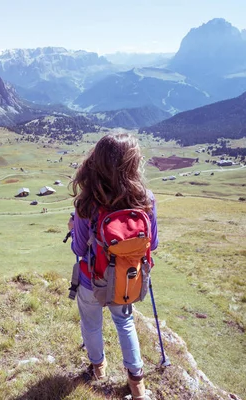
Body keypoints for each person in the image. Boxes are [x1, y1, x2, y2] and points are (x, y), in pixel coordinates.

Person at [68, 133, 158, 399]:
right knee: (125, 321)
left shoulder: (87, 201)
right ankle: (136, 383)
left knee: (92, 324)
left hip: (91, 280)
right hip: (126, 278)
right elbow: (151, 245)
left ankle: (98, 369)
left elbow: (79, 248)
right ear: (132, 163)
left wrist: (75, 229)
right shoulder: (146, 199)